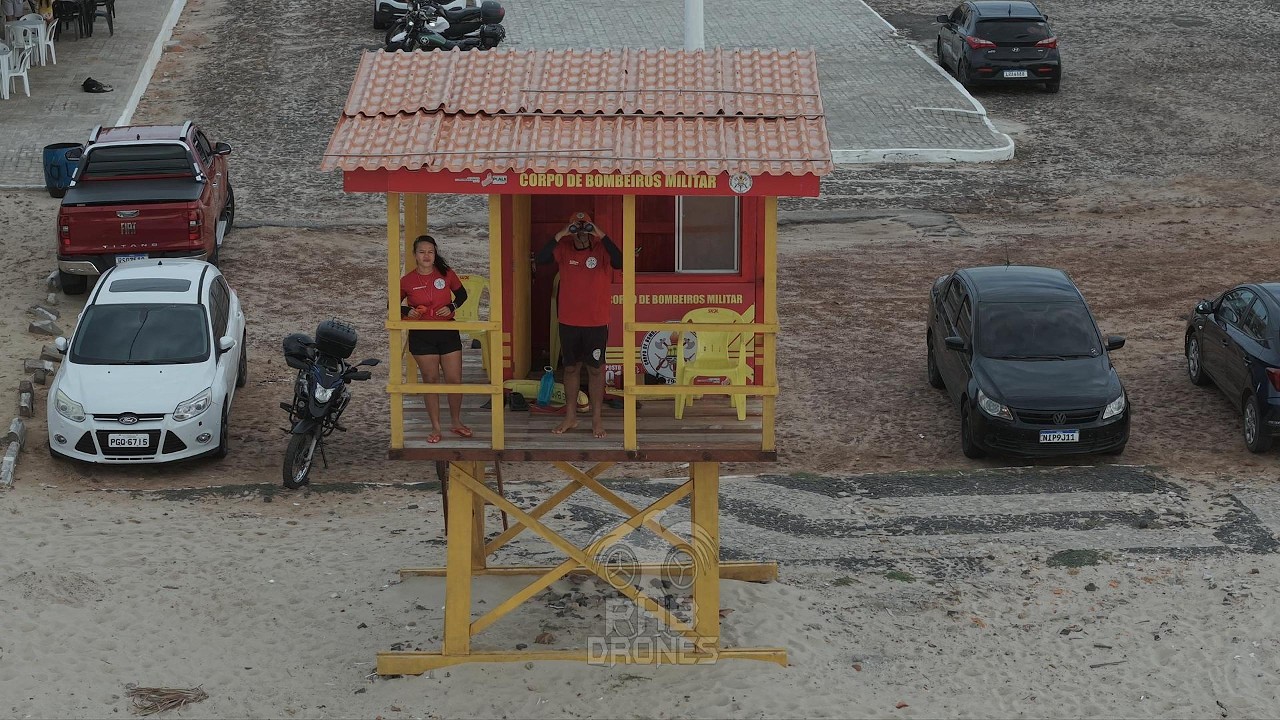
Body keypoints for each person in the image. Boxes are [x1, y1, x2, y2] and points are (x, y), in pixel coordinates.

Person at [535, 212, 623, 438]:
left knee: (595, 369)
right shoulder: (563, 248)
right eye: (577, 227)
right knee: (571, 368)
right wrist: (563, 232)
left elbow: (620, 261)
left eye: (585, 228)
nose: (581, 233)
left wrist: (599, 233)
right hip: (569, 321)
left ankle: (596, 419)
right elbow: (541, 259)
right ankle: (571, 417)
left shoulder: (601, 249)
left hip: (596, 321)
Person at [400, 235, 470, 443]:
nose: (426, 255)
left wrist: (451, 307)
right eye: (422, 252)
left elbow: (462, 295)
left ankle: (456, 422)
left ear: (435, 253)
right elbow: (391, 305)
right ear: (415, 256)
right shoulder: (407, 280)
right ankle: (436, 427)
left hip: (447, 330)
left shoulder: (447, 274)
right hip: (422, 335)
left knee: (454, 380)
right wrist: (407, 310)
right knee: (431, 380)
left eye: (430, 251)